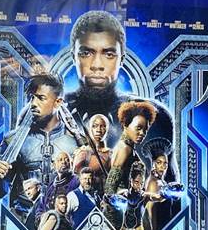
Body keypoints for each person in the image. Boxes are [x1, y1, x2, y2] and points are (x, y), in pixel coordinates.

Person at [64, 10, 175, 174]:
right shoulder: (53, 112)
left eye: (108, 54)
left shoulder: (155, 117)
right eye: (86, 53)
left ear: (121, 59)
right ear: (74, 57)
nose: (97, 65)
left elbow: (167, 185)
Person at [0, 72, 79, 212]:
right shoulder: (12, 141)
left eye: (41, 98)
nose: (33, 104)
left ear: (58, 102)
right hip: (24, 219)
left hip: (65, 219)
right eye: (32, 97)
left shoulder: (75, 142)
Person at [114, 161, 161, 230]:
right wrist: (106, 200)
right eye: (136, 182)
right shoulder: (123, 194)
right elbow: (111, 201)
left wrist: (167, 193)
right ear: (131, 180)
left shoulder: (144, 196)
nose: (139, 186)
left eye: (142, 183)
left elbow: (158, 197)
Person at [72, 113, 111, 195]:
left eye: (103, 126)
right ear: (90, 129)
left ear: (107, 129)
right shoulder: (83, 153)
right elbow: (75, 180)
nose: (99, 130)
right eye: (95, 126)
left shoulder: (111, 154)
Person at [37, 148, 79, 217]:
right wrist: (41, 217)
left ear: (71, 164)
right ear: (54, 165)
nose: (64, 162)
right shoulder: (51, 186)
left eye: (67, 160)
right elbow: (41, 207)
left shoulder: (76, 181)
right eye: (60, 160)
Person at [145, 152, 172, 230]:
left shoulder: (162, 182)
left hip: (165, 229)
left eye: (165, 163)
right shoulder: (153, 182)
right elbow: (149, 211)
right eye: (159, 162)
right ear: (153, 164)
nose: (162, 166)